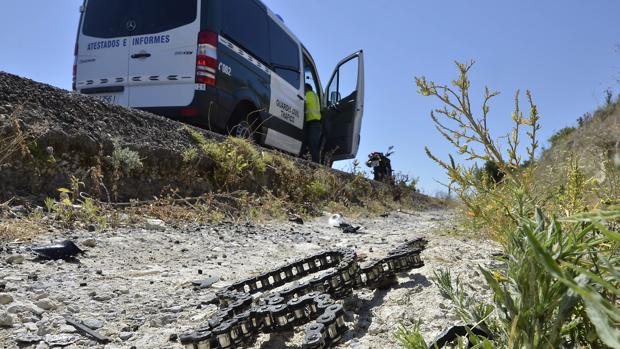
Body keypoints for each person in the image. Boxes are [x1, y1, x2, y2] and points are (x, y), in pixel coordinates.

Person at [304, 83, 322, 163]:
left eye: (304, 89)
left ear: (307, 88)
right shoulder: (315, 96)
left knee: (312, 143)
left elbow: (303, 101)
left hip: (313, 123)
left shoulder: (309, 94)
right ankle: (311, 161)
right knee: (312, 143)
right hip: (315, 123)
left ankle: (316, 164)